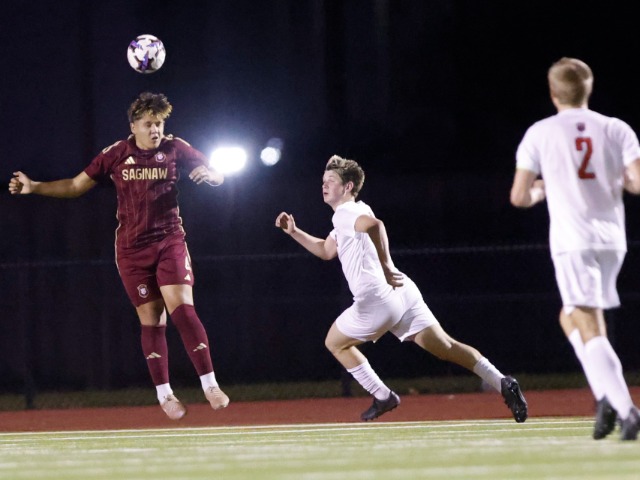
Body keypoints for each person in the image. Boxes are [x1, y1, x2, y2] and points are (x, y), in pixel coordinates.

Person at [8, 92, 229, 420]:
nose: (155, 130)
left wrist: (212, 177)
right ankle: (165, 394)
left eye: (159, 123)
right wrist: (34, 186)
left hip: (169, 241)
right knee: (152, 320)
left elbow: (216, 172)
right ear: (133, 126)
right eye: (149, 124)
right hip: (131, 250)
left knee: (183, 310)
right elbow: (75, 186)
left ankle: (210, 384)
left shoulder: (175, 148)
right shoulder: (117, 153)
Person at [275, 155, 528, 423]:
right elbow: (326, 251)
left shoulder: (345, 214)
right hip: (402, 292)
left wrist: (385, 266)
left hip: (377, 300)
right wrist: (294, 231)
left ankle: (383, 395)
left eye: (331, 181)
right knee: (446, 346)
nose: (324, 185)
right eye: (323, 181)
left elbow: (376, 226)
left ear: (348, 187)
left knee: (334, 342)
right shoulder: (355, 211)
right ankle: (503, 382)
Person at [510, 57, 640, 441]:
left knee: (588, 322)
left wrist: (543, 189)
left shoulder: (540, 132)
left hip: (573, 240)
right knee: (570, 318)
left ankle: (626, 409)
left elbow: (519, 196)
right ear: (589, 88)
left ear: (553, 93)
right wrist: (613, 177)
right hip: (612, 239)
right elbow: (636, 182)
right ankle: (605, 396)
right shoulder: (616, 128)